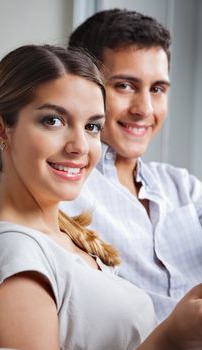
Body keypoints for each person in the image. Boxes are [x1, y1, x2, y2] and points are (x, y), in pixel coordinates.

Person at [0, 43, 202, 350]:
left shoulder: (69, 237)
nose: (80, 146)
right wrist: (170, 338)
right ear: (0, 130)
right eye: (53, 120)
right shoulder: (12, 256)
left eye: (92, 126)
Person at [60, 8, 202, 323]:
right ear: (82, 86)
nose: (144, 109)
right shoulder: (59, 182)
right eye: (125, 86)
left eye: (157, 89)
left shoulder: (183, 187)